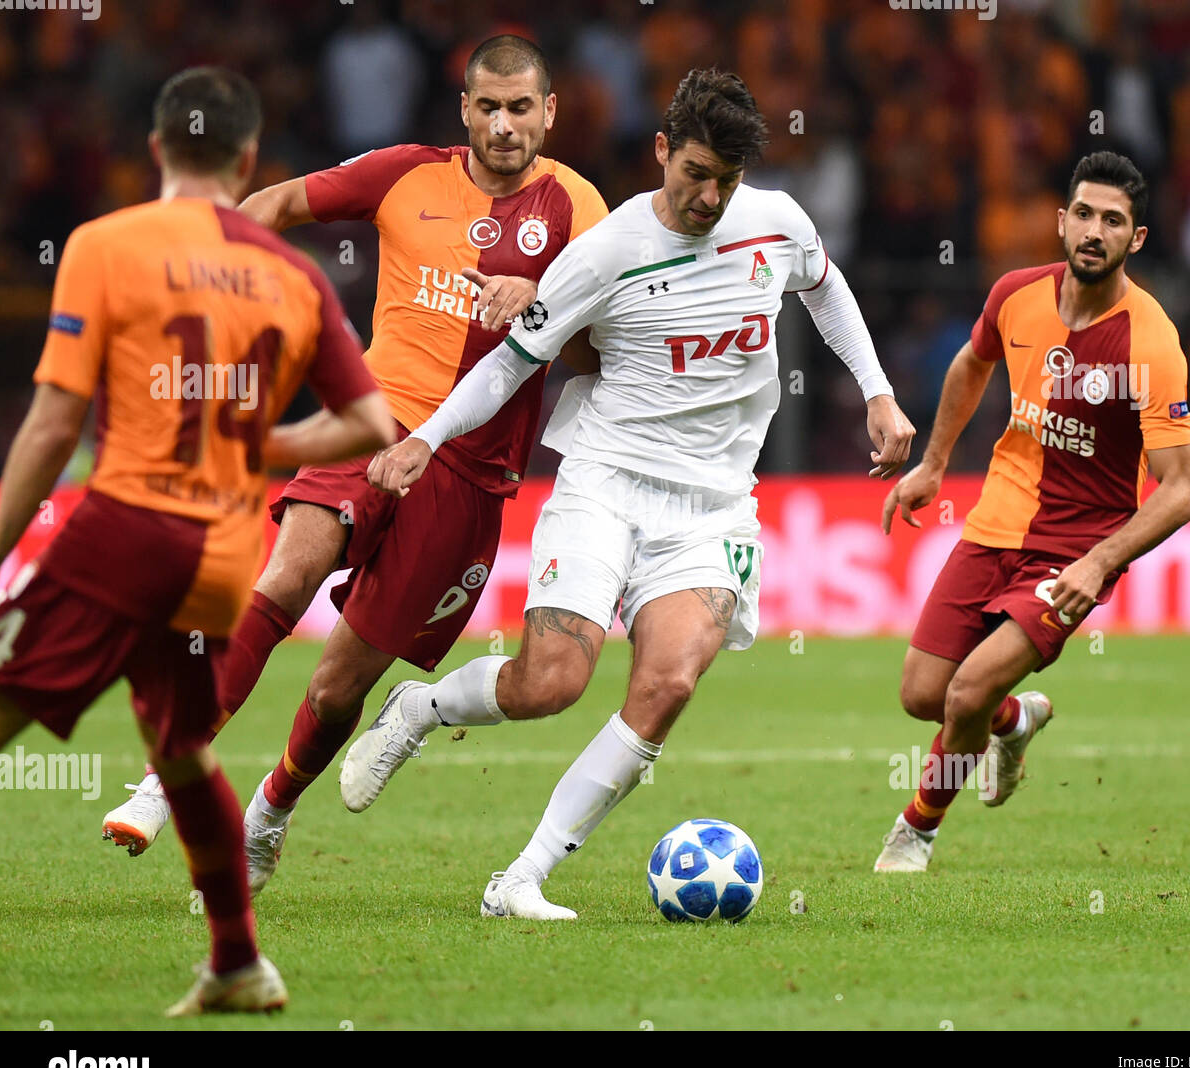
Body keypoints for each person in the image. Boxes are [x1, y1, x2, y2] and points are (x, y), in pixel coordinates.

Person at [342, 68, 916, 919]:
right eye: (693, 174)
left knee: (667, 687)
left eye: (725, 180)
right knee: (552, 684)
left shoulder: (777, 222)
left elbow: (824, 285)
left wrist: (876, 389)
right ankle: (421, 706)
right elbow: (511, 363)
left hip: (715, 504)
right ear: (661, 153)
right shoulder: (605, 253)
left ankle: (522, 878)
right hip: (605, 484)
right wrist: (426, 438)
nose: (708, 197)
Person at [101, 35, 608, 893]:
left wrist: (547, 300)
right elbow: (276, 202)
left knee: (339, 690)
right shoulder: (406, 173)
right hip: (374, 422)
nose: (503, 124)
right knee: (288, 571)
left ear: (549, 112)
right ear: (464, 109)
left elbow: (605, 345)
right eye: (487, 106)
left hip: (473, 477)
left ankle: (270, 810)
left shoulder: (581, 210)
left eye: (521, 108)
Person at [0, 67, 394, 1014]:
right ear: (248, 157)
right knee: (179, 746)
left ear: (156, 149)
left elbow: (55, 425)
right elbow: (372, 423)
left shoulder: (106, 244)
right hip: (220, 559)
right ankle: (237, 966)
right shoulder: (292, 273)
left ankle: (238, 964)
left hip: (127, 529)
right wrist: (260, 442)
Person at [872, 150, 1190, 872]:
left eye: (1113, 221)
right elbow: (971, 362)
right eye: (1083, 213)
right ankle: (1014, 721)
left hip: (1073, 552)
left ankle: (917, 830)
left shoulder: (1151, 340)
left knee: (964, 692)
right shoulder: (1016, 294)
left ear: (1135, 240)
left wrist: (1101, 561)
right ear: (1061, 220)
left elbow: (1183, 488)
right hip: (996, 522)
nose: (1094, 230)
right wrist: (933, 463)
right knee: (922, 694)